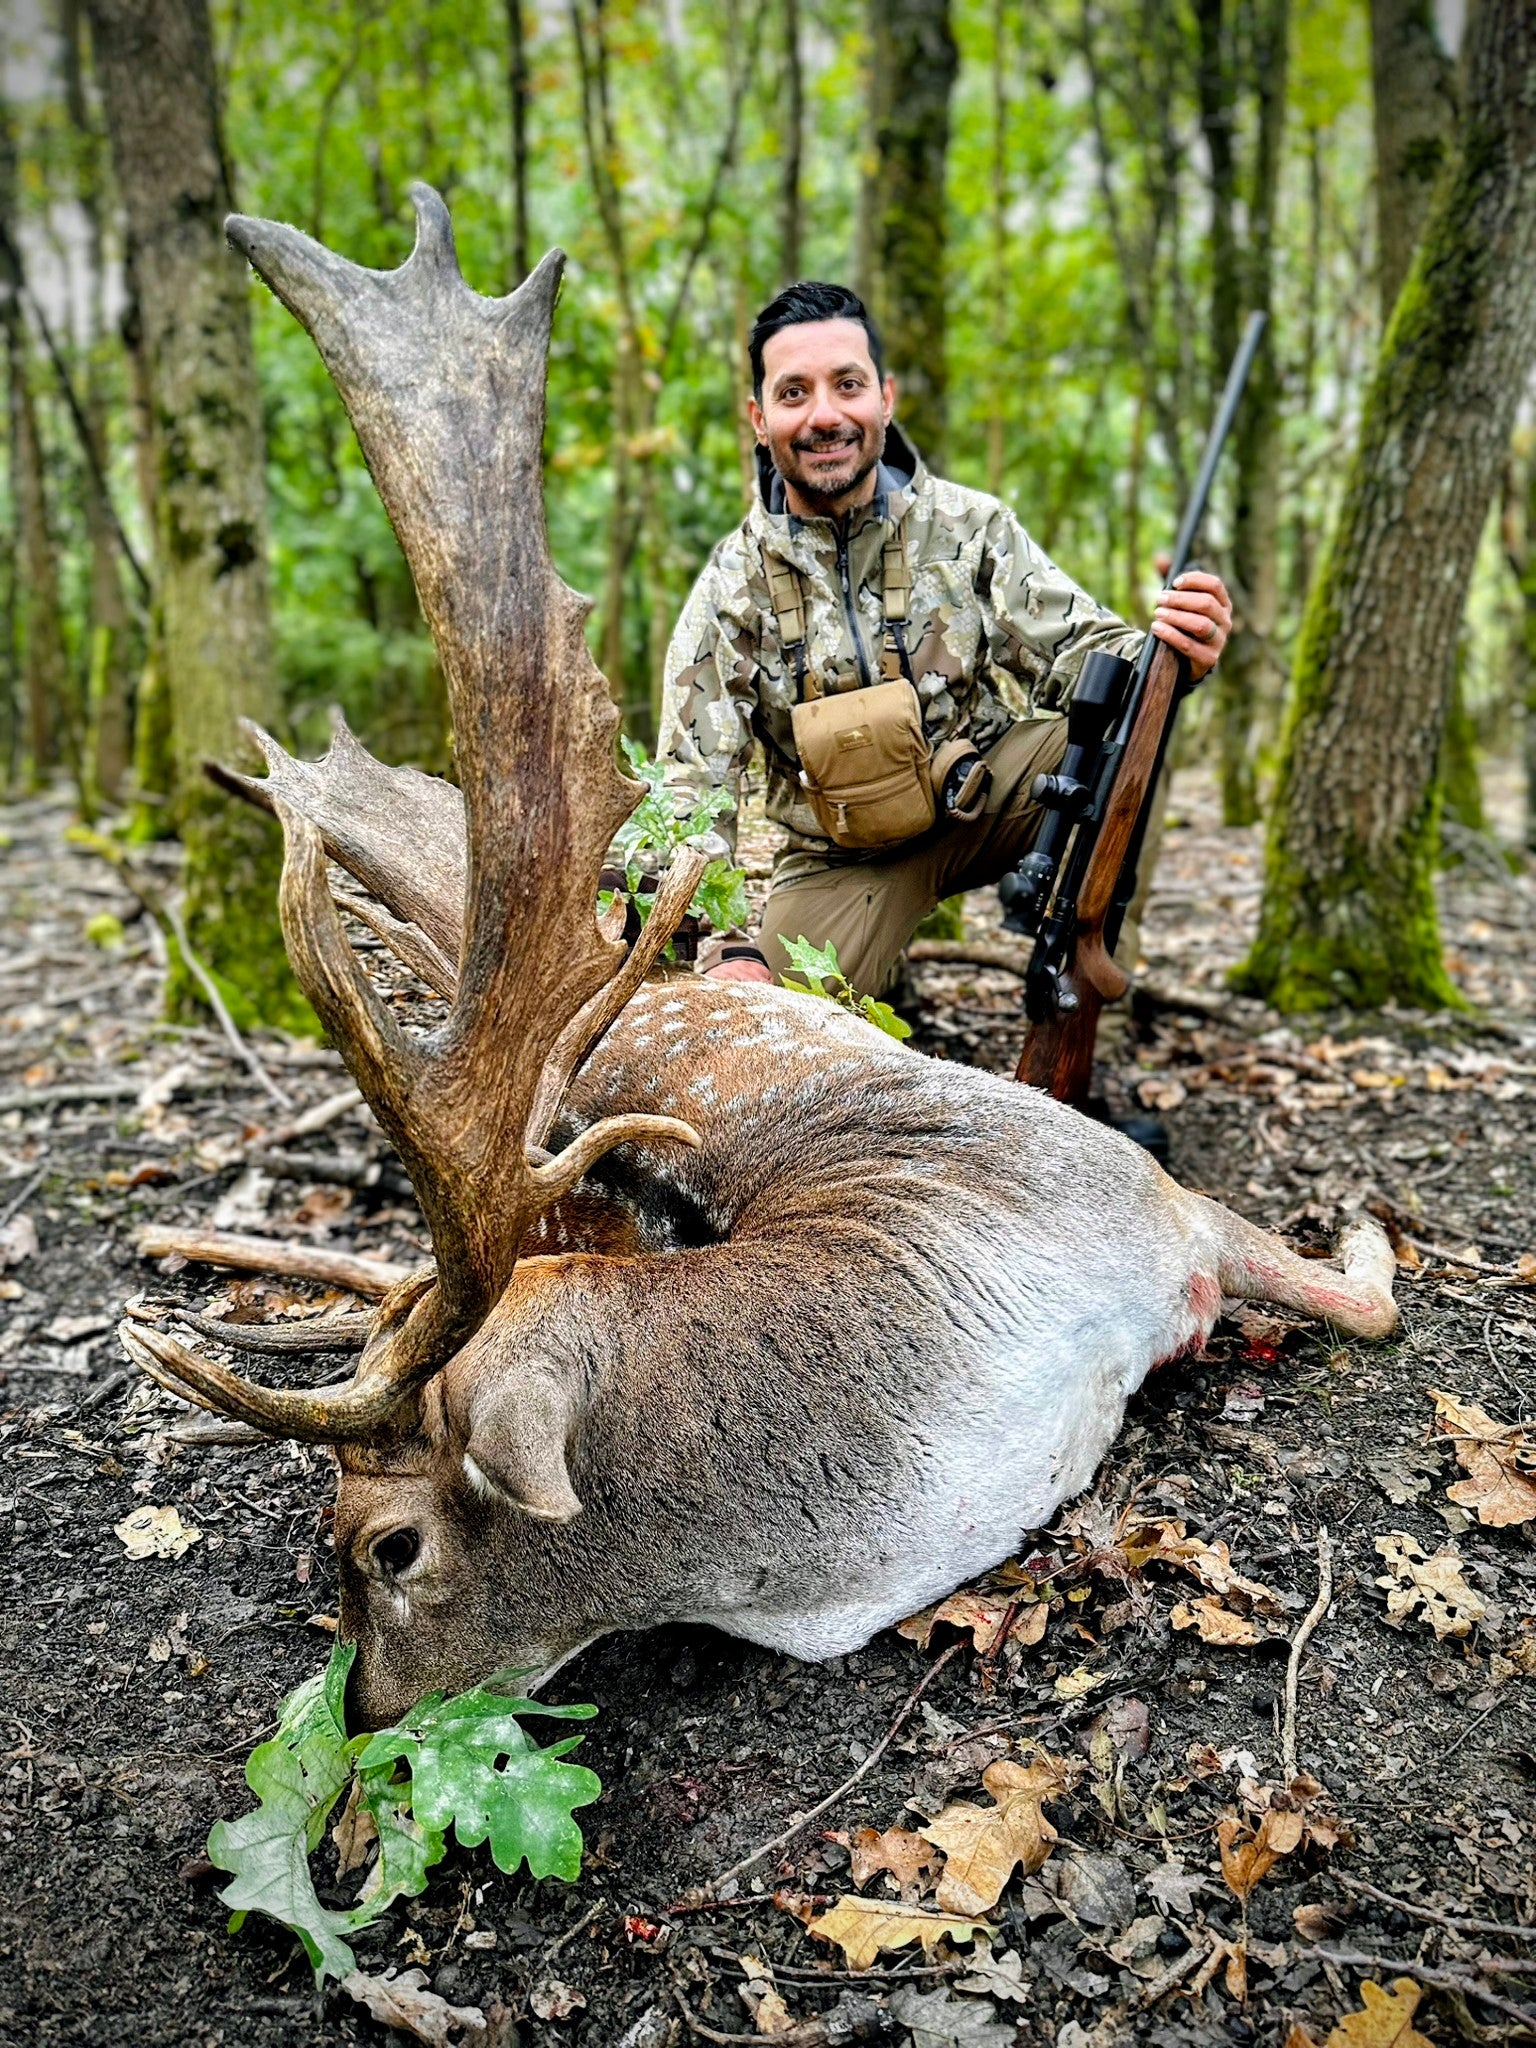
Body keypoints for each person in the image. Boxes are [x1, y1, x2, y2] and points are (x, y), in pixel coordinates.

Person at [658, 280, 1231, 996]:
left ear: (886, 398)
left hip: (986, 797)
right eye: (794, 393)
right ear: (759, 417)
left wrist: (1175, 654)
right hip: (840, 858)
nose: (825, 415)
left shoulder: (970, 528)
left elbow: (1086, 652)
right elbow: (689, 789)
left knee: (1133, 732)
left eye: (848, 385)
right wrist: (722, 944)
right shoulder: (729, 591)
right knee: (774, 1024)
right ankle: (873, 980)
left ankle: (1088, 1002)